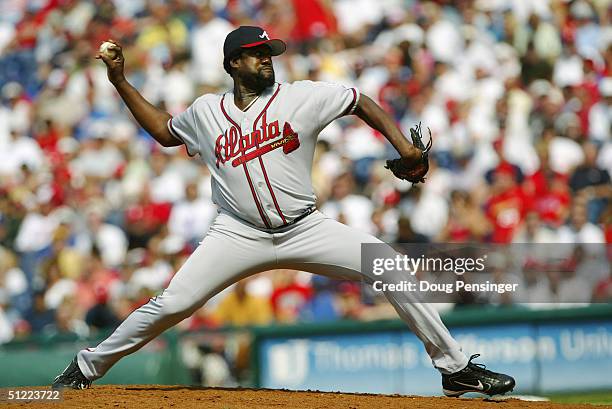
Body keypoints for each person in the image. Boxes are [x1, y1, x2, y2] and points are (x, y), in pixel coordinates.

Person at [52, 26, 515, 397]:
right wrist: (119, 81)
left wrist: (402, 148)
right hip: (236, 233)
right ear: (234, 63)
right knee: (172, 304)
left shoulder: (300, 96)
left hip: (304, 228)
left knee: (387, 263)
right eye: (256, 53)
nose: (266, 57)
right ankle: (87, 366)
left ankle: (454, 370)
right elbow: (164, 131)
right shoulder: (206, 110)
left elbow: (360, 102)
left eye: (269, 51)